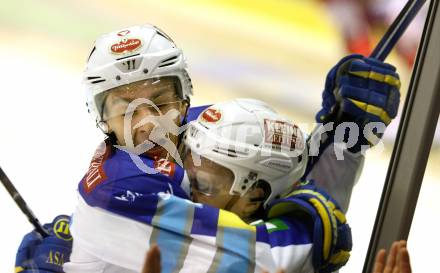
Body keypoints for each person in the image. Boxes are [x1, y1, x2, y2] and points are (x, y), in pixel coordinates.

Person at [14, 23, 401, 273]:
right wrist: (309, 231)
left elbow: (288, 166)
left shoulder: (201, 125)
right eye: (124, 108)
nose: (147, 123)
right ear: (101, 118)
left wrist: (345, 130)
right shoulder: (121, 192)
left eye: (160, 101)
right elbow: (262, 260)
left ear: (185, 96)